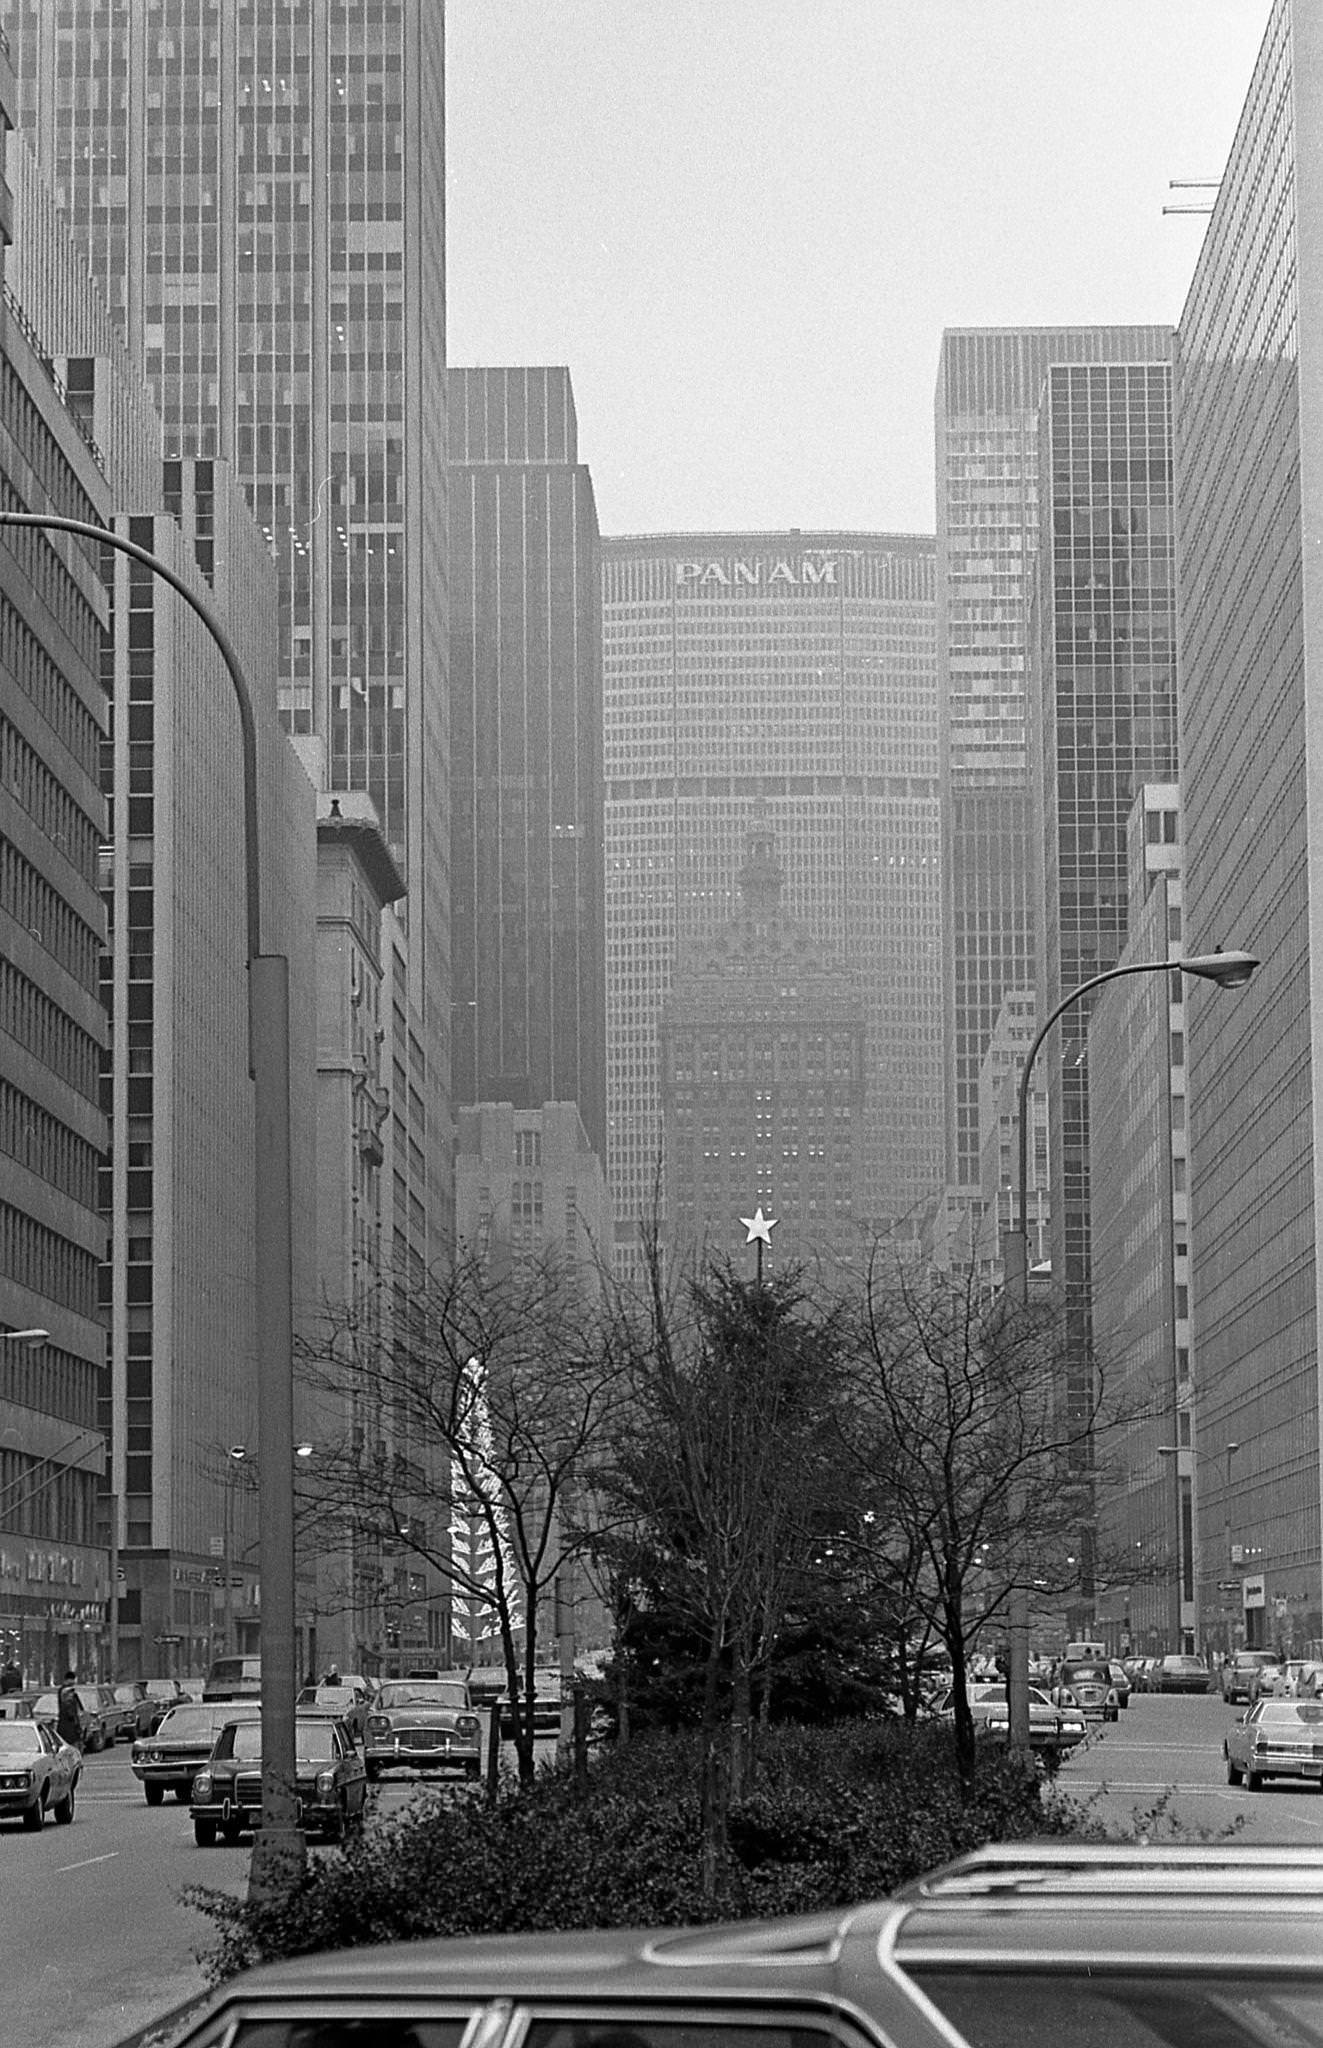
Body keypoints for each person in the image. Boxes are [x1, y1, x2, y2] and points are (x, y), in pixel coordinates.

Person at [55, 1669, 83, 1748]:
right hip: (69, 1724)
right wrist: (76, 1720)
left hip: (64, 1722)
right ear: (69, 1679)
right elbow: (69, 1707)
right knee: (71, 1744)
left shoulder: (62, 1690)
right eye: (73, 1679)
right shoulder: (67, 1691)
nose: (74, 1682)